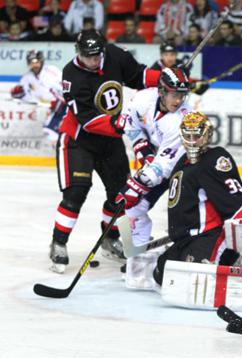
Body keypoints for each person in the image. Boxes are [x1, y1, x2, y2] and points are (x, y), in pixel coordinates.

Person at [49, 30, 161, 274]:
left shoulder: (114, 54)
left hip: (110, 143)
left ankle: (109, 238)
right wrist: (119, 123)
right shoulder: (71, 75)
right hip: (80, 141)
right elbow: (87, 120)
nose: (94, 61)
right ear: (78, 52)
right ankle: (59, 243)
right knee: (76, 193)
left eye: (97, 55)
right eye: (88, 56)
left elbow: (140, 76)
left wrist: (164, 78)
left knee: (121, 195)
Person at [153, 112, 242, 286]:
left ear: (207, 135)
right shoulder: (183, 161)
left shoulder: (214, 158)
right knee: (161, 274)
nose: (192, 141)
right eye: (188, 135)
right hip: (186, 239)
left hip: (209, 236)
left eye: (197, 136)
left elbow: (236, 200)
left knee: (196, 281)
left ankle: (230, 260)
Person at [117, 67, 192, 253]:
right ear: (161, 91)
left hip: (185, 169)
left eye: (182, 95)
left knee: (182, 217)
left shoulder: (181, 121)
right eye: (174, 94)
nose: (178, 100)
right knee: (133, 210)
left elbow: (165, 167)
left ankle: (195, 248)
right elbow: (131, 125)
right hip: (158, 162)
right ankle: (136, 253)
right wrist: (143, 150)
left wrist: (137, 185)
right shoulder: (142, 99)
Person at [10, 50, 66, 143]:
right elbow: (26, 96)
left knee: (51, 130)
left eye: (37, 62)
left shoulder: (51, 71)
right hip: (44, 108)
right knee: (51, 131)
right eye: (32, 62)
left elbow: (63, 88)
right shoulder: (26, 78)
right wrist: (18, 94)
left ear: (41, 61)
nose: (35, 64)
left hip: (60, 106)